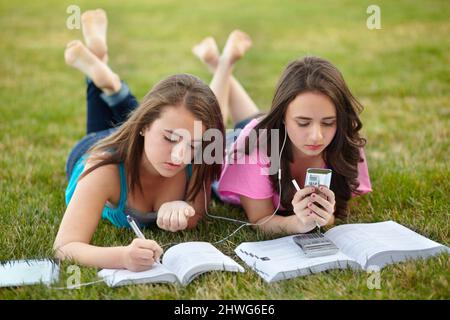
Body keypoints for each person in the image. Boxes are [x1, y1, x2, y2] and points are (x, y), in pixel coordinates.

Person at [53, 9, 225, 271]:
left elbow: (197, 214)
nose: (180, 156)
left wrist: (184, 209)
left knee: (157, 116)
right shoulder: (103, 169)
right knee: (115, 126)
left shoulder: (196, 162)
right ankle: (102, 78)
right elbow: (65, 247)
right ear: (143, 126)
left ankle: (104, 72)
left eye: (194, 144)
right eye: (170, 138)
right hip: (94, 147)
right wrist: (122, 258)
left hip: (138, 138)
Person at [192, 31, 372, 235]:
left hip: (270, 133)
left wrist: (325, 217)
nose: (317, 136)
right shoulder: (253, 149)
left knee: (253, 121)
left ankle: (219, 62)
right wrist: (297, 224)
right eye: (303, 123)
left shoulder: (345, 140)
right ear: (282, 117)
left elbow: (338, 208)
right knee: (210, 130)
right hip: (232, 147)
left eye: (329, 122)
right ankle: (224, 65)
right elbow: (261, 219)